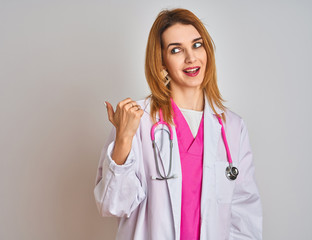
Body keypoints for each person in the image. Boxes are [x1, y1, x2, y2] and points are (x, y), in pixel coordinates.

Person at [94, 8, 262, 240]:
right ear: (161, 61)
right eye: (176, 50)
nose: (191, 58)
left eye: (196, 45)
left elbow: (244, 217)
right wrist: (123, 139)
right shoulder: (136, 119)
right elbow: (113, 206)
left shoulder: (232, 127)